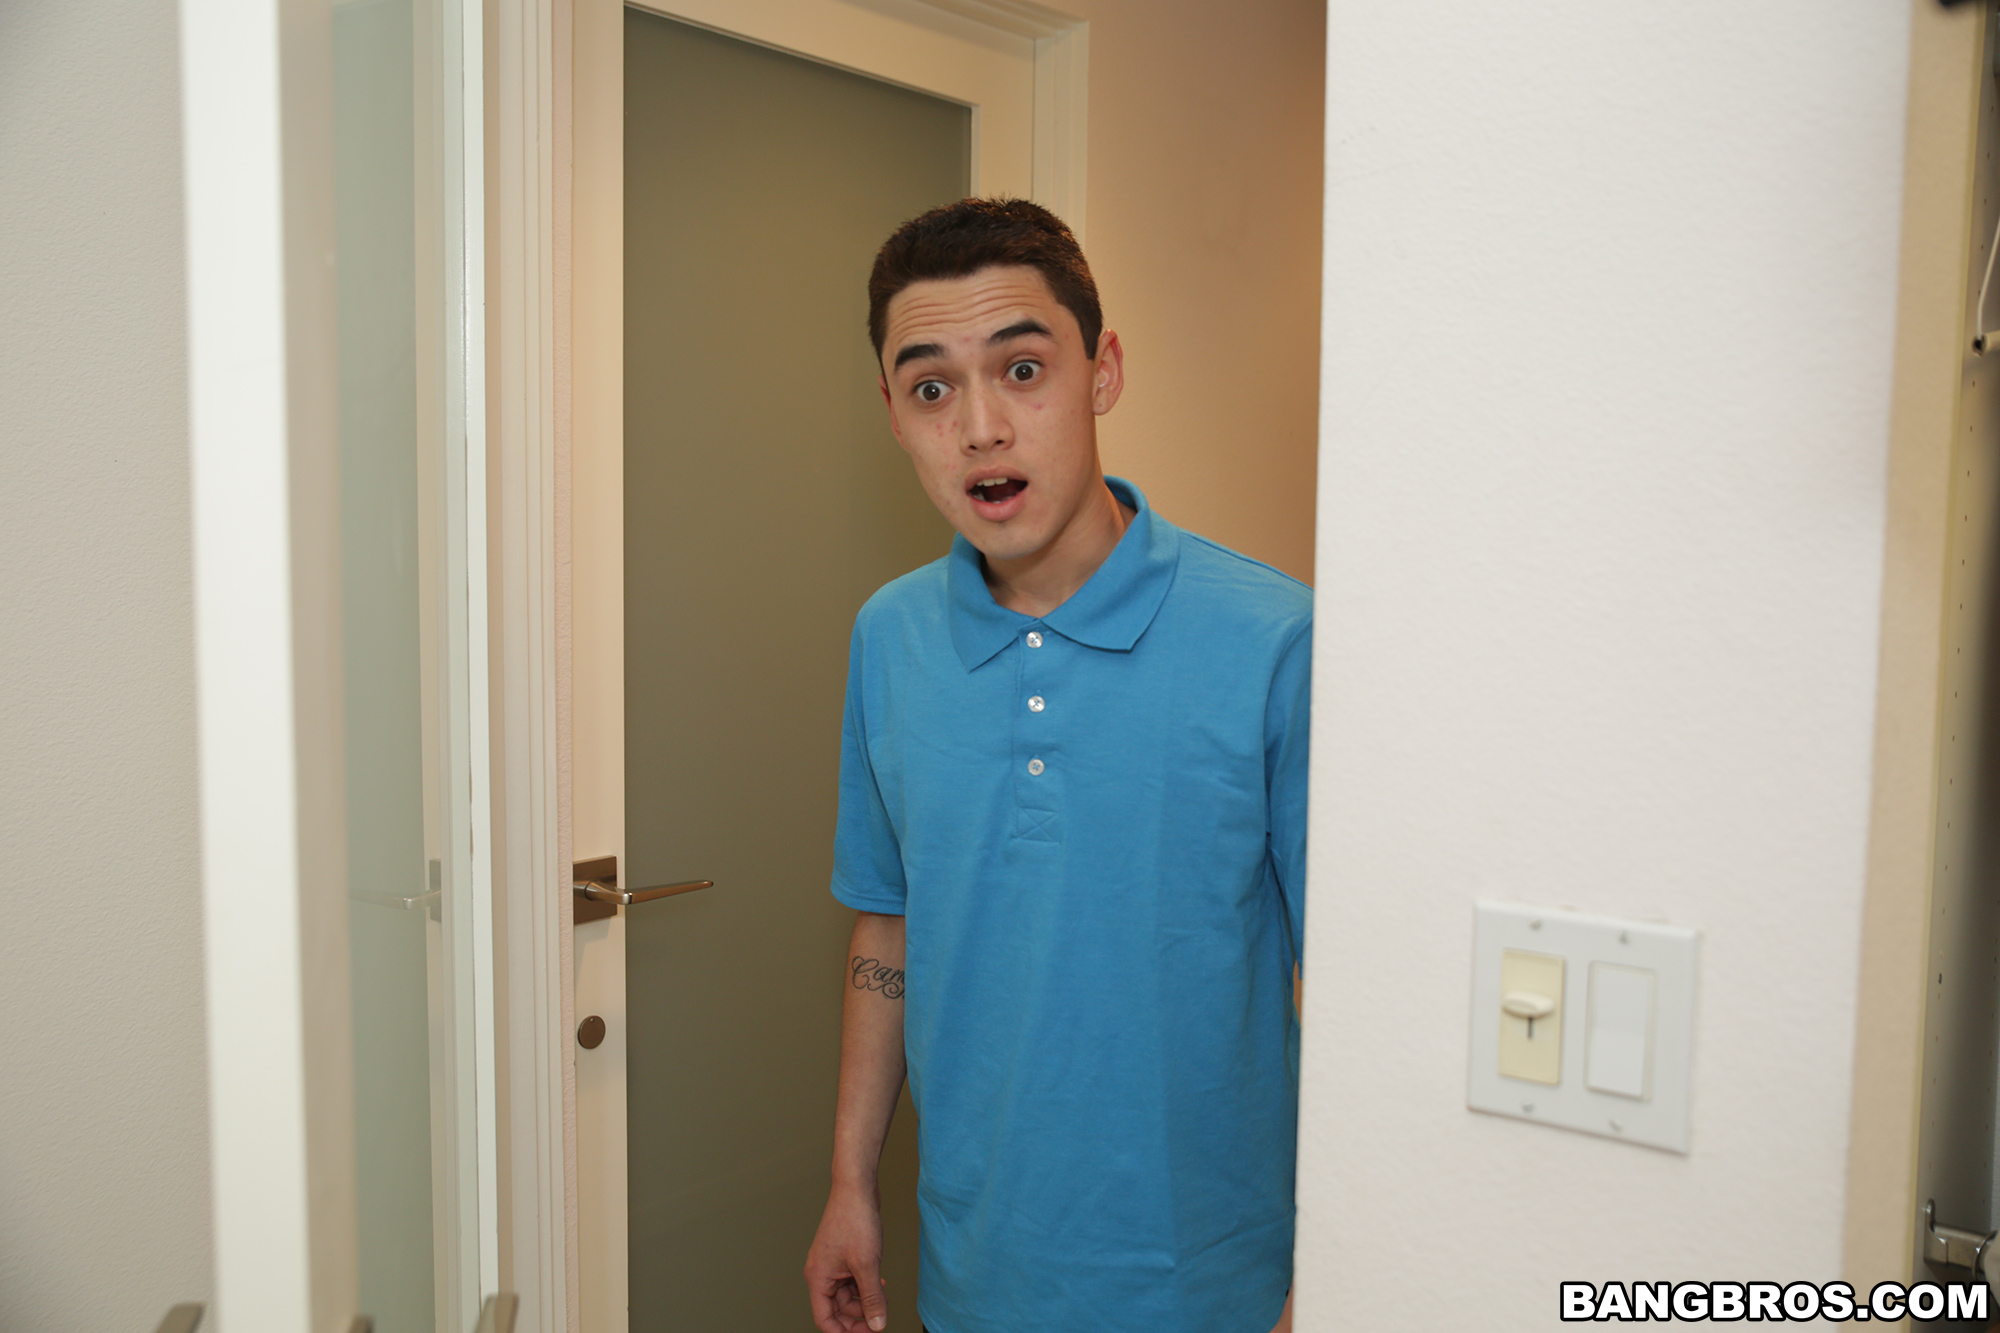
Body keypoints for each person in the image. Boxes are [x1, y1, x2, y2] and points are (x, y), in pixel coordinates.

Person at [803, 198, 1310, 1333]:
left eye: (1022, 370)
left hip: (1215, 1283)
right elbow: (888, 922)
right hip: (975, 1272)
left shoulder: (1274, 639)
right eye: (931, 388)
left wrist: (1328, 1268)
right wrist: (849, 1185)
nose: (980, 428)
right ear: (893, 414)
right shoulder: (889, 636)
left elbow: (1355, 992)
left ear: (1102, 372)